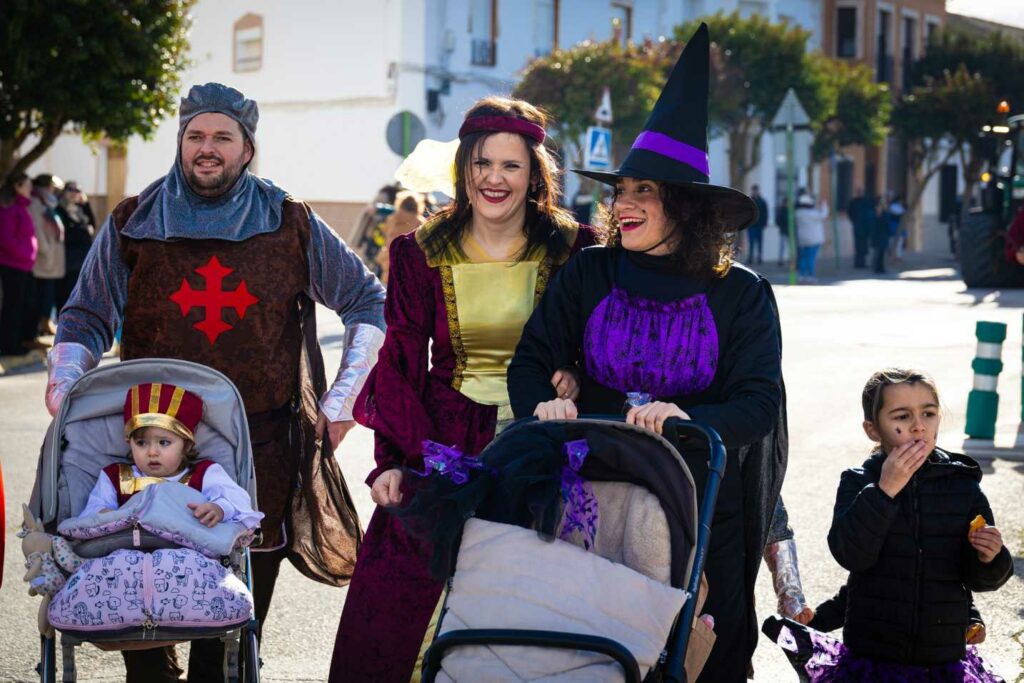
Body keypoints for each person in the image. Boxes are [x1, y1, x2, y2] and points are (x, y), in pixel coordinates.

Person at [47, 82, 386, 682]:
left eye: (222, 137)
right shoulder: (135, 220)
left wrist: (342, 401)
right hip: (150, 448)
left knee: (227, 644)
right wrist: (66, 384)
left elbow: (367, 302)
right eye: (195, 136)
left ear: (247, 148)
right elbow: (85, 315)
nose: (208, 148)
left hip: (261, 451)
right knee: (143, 636)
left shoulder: (291, 222)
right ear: (180, 143)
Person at [508, 25, 787, 681]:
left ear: (685, 207)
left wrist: (688, 415)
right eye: (620, 191)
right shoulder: (588, 273)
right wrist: (545, 404)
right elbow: (529, 361)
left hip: (703, 505)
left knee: (693, 661)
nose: (623, 205)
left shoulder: (742, 294)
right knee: (589, 657)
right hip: (590, 497)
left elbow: (759, 401)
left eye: (644, 192)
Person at [328, 95, 597, 682]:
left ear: (534, 175)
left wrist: (576, 372)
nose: (493, 179)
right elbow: (400, 363)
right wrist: (394, 462)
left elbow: (601, 341)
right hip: (443, 438)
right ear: (463, 169)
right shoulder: (419, 251)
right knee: (397, 603)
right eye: (481, 164)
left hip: (543, 438)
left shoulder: (577, 249)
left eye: (510, 166)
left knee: (538, 601)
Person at [820, 368, 1012, 679]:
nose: (919, 426)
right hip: (874, 657)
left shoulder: (962, 486)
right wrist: (883, 492)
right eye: (902, 416)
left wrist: (991, 556)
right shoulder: (859, 482)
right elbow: (851, 554)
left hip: (942, 660)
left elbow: (977, 578)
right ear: (873, 429)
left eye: (929, 413)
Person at [77, 382, 263, 531]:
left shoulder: (204, 475)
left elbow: (238, 500)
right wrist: (107, 515)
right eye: (141, 443)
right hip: (125, 555)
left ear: (186, 445)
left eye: (164, 443)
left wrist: (220, 509)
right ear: (129, 442)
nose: (152, 452)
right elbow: (91, 513)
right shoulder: (115, 477)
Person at [0, 172, 38, 357]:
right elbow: (6, 238)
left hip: (23, 265)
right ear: (17, 186)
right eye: (27, 185)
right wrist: (24, 254)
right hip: (12, 264)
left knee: (22, 305)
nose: (30, 188)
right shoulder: (9, 208)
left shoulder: (22, 208)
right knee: (12, 307)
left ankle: (16, 342)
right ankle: (9, 345)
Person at [27, 173, 65, 338]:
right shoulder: (36, 202)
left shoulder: (47, 202)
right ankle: (37, 327)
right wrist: (47, 250)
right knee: (40, 293)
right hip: (43, 258)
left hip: (51, 257)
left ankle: (45, 323)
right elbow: (36, 229)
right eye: (52, 186)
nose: (54, 190)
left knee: (47, 293)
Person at [54, 181, 96, 318]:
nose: (74, 193)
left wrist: (86, 203)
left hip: (83, 258)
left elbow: (93, 225)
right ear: (64, 192)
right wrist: (84, 230)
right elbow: (68, 234)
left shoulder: (80, 209)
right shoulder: (59, 209)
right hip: (68, 259)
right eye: (70, 190)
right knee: (66, 293)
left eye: (77, 191)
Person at [375, 190, 426, 285]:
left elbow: (386, 236)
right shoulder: (420, 222)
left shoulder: (392, 218)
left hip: (390, 258)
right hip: (410, 262)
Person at [794, 190, 828, 284]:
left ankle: (801, 276)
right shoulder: (813, 214)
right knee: (811, 258)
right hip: (814, 239)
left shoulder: (798, 213)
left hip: (802, 239)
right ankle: (811, 276)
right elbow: (824, 215)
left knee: (803, 258)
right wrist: (824, 205)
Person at [846, 188, 872, 268]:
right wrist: (854, 221)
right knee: (858, 246)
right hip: (858, 226)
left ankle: (862, 263)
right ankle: (858, 263)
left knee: (863, 246)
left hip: (864, 227)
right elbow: (850, 212)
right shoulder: (853, 202)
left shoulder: (866, 202)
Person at [748, 184, 768, 265]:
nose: (755, 192)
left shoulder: (762, 201)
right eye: (754, 190)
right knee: (751, 242)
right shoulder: (749, 200)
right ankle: (750, 258)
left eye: (756, 190)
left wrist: (764, 223)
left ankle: (759, 258)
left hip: (759, 225)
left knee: (759, 242)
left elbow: (765, 213)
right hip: (751, 225)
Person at [870, 196, 890, 274]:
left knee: (882, 253)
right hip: (877, 235)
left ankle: (881, 268)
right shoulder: (874, 213)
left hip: (883, 235)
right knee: (877, 252)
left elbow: (886, 223)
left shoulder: (886, 213)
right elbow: (873, 223)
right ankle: (877, 267)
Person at [775, 195, 790, 267]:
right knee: (782, 246)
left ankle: (789, 259)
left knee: (787, 247)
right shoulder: (781, 210)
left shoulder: (789, 210)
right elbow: (778, 220)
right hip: (784, 230)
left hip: (788, 231)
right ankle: (781, 260)